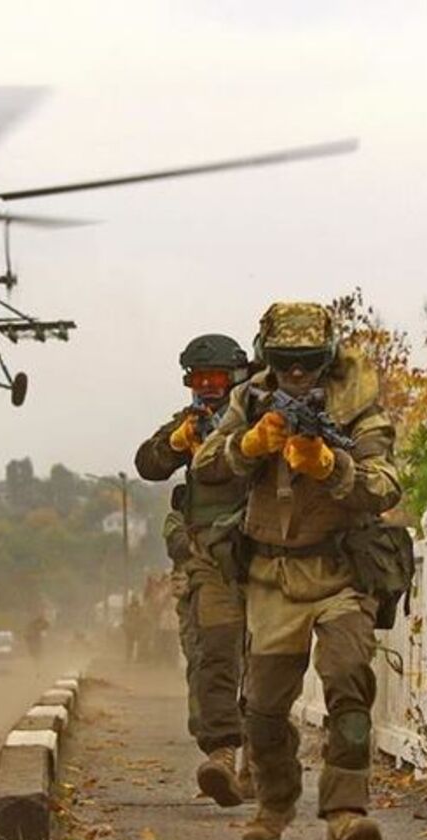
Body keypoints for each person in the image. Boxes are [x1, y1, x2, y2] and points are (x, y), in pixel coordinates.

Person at [193, 301, 400, 840]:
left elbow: (386, 487)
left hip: (339, 571)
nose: (299, 376)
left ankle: (346, 810)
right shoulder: (250, 401)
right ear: (269, 359)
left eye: (309, 363)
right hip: (270, 575)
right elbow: (204, 466)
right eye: (288, 363)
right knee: (261, 709)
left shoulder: (357, 408)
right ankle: (276, 801)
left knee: (349, 680)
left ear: (326, 359)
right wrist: (249, 445)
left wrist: (334, 467)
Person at [135, 333, 253, 807]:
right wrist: (178, 442)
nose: (207, 388)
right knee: (217, 653)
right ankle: (222, 754)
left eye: (216, 379)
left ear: (236, 377)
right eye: (198, 380)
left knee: (268, 664)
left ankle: (259, 764)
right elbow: (148, 463)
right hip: (210, 557)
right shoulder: (191, 424)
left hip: (265, 550)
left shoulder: (258, 415)